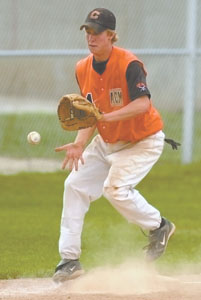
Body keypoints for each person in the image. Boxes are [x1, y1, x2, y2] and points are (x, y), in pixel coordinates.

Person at [53, 8, 176, 283]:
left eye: (96, 32)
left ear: (111, 35)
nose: (91, 37)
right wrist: (78, 144)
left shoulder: (129, 64)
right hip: (107, 141)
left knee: (114, 189)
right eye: (87, 31)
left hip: (141, 140)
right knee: (73, 186)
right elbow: (90, 114)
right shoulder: (82, 67)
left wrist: (106, 116)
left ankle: (159, 225)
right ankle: (69, 260)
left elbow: (142, 103)